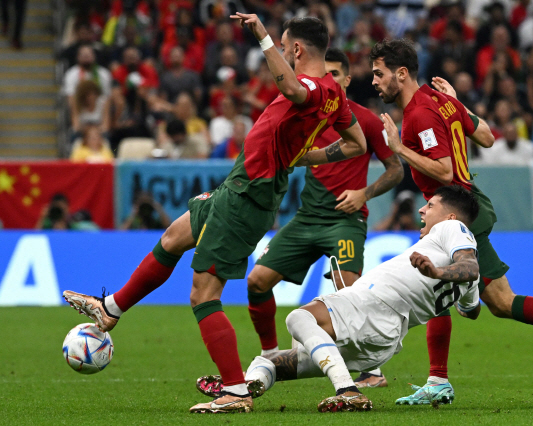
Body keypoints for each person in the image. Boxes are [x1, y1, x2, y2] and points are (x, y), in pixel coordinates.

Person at [62, 15, 367, 415]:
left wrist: (262, 37)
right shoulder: (335, 95)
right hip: (240, 186)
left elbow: (292, 88)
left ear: (295, 49)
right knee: (174, 237)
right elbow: (357, 144)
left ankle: (236, 391)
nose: (282, 52)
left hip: (248, 195)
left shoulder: (310, 86)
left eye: (284, 46)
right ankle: (112, 308)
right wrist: (305, 156)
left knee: (203, 295)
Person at [193, 186, 533, 412]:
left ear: (450, 215)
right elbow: (470, 308)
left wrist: (437, 272)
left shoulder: (452, 231)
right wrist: (446, 287)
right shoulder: (450, 258)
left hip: (373, 311)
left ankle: (348, 391)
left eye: (429, 205)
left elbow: (468, 267)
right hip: (384, 339)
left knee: (297, 319)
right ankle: (244, 388)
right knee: (271, 362)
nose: (422, 212)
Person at [368, 38, 533, 406]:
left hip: (453, 213)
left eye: (379, 73)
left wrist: (399, 148)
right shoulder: (442, 101)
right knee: (501, 301)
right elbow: (485, 136)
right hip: (466, 204)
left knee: (434, 284)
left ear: (401, 74)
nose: (373, 81)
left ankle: (439, 376)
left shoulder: (418, 115)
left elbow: (444, 170)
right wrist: (458, 104)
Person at [233, 48, 402, 389]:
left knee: (350, 295)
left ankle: (372, 371)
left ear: (347, 80)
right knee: (256, 282)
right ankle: (271, 354)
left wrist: (364, 193)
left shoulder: (366, 121)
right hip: (307, 218)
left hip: (345, 220)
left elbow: (395, 170)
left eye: (335, 74)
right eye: (325, 74)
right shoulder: (309, 116)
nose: (328, 80)